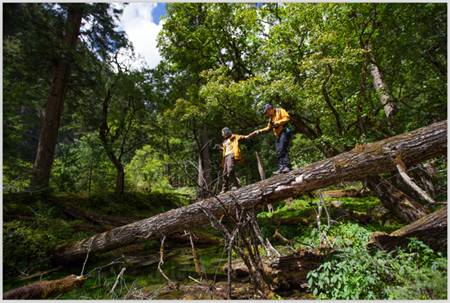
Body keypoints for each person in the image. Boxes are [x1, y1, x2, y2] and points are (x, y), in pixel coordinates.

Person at [249, 103, 293, 174]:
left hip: (284, 132)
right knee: (278, 151)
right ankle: (281, 168)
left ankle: (286, 167)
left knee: (282, 149)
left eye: (267, 112)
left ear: (270, 109)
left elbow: (287, 118)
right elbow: (268, 128)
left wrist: (278, 122)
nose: (267, 114)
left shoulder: (280, 110)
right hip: (278, 135)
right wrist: (258, 131)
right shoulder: (271, 119)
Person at [218, 127, 250, 193]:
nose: (222, 134)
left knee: (230, 170)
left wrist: (249, 136)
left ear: (226, 132)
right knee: (224, 173)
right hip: (225, 157)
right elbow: (225, 149)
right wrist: (220, 147)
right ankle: (224, 188)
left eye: (223, 133)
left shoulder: (234, 136)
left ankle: (235, 185)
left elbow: (242, 137)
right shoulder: (224, 141)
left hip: (231, 155)